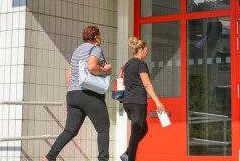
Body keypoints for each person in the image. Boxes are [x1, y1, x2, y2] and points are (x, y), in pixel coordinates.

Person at [44, 25, 112, 161]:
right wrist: (107, 69)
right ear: (96, 37)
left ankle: (49, 157)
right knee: (103, 128)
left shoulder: (77, 50)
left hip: (73, 94)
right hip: (89, 94)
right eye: (100, 36)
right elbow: (91, 67)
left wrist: (70, 96)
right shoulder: (95, 49)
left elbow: (69, 73)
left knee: (70, 130)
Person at [120, 37, 165, 161]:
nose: (146, 53)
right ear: (140, 50)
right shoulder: (141, 64)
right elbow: (147, 84)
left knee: (143, 129)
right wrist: (157, 101)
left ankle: (128, 153)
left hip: (128, 102)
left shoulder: (126, 64)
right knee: (136, 132)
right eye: (146, 50)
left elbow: (120, 80)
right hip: (137, 102)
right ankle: (130, 157)